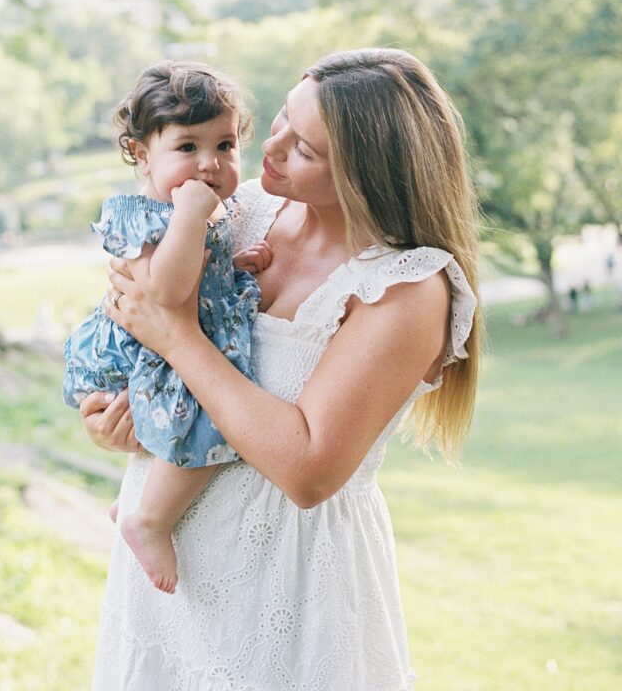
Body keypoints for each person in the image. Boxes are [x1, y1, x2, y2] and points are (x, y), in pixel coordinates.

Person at [81, 47, 481, 691]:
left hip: (284, 586)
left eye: (305, 150)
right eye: (283, 120)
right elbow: (141, 322)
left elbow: (309, 469)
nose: (269, 149)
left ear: (365, 177)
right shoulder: (239, 211)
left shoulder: (404, 289)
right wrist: (123, 418)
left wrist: (178, 338)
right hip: (165, 574)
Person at [63, 60, 271, 594]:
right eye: (187, 147)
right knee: (214, 419)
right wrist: (192, 217)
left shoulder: (204, 212)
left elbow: (196, 279)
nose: (209, 164)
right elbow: (168, 292)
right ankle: (149, 520)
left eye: (225, 145)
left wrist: (234, 264)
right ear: (142, 155)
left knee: (209, 409)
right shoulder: (145, 217)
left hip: (164, 341)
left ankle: (138, 499)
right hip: (145, 349)